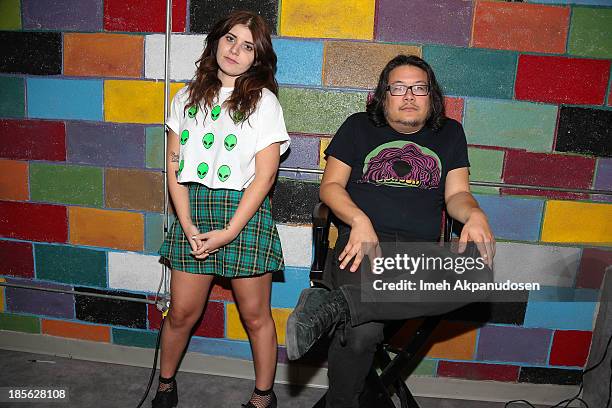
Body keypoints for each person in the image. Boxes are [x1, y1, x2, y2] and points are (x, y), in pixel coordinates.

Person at [285, 55, 495, 407]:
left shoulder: (450, 133)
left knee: (479, 275)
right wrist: (358, 219)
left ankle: (337, 305)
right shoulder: (358, 126)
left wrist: (473, 213)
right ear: (384, 95)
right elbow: (331, 187)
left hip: (419, 257)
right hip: (366, 249)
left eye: (419, 88)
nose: (409, 95)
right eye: (398, 88)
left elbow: (457, 193)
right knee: (362, 334)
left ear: (432, 97)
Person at [155, 10, 290, 408]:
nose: (235, 50)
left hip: (243, 215)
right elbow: (174, 167)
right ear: (216, 41)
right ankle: (165, 385)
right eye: (231, 39)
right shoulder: (185, 97)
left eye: (248, 46)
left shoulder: (263, 102)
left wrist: (230, 230)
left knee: (254, 315)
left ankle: (263, 396)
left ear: (257, 58)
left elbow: (265, 177)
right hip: (192, 211)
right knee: (181, 313)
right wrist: (186, 223)